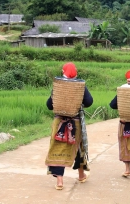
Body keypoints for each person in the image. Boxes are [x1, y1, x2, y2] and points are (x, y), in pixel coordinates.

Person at [45, 62, 93, 190]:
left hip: (59, 122)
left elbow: (49, 105)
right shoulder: (80, 85)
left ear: (63, 71)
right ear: (75, 72)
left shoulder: (58, 85)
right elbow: (89, 101)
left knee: (58, 148)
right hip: (75, 122)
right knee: (78, 147)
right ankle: (81, 175)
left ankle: (60, 181)